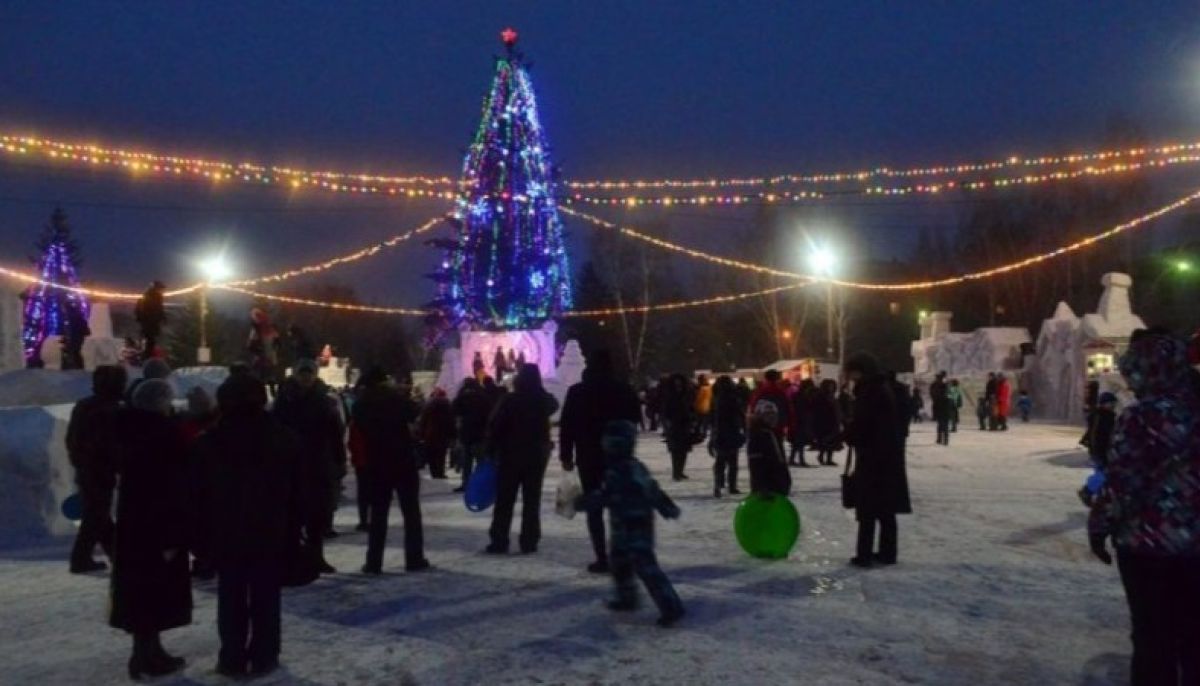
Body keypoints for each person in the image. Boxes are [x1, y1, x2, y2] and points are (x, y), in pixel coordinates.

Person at [1088, 331, 1200, 685]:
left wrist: (1100, 525)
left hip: (1147, 545)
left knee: (1153, 635)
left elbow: (1123, 483)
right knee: (1194, 634)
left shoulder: (1142, 417)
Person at [194, 373, 302, 678]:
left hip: (226, 531)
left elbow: (197, 493)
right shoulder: (283, 438)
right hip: (271, 529)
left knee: (231, 597)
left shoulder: (209, 443)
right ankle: (265, 654)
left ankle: (232, 656)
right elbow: (299, 490)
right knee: (266, 595)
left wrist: (199, 537)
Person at [109, 379, 192, 679]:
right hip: (159, 523)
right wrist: (173, 532)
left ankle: (145, 651)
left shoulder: (129, 431)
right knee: (155, 590)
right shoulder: (162, 435)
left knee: (139, 590)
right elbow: (170, 485)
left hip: (134, 523)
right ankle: (148, 655)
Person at [576, 420, 685, 628]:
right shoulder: (627, 467)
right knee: (619, 563)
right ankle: (626, 598)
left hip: (636, 527)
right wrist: (666, 506)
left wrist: (584, 502)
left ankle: (671, 606)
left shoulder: (624, 470)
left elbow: (610, 495)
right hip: (623, 526)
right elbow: (652, 490)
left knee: (646, 567)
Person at [559, 350, 641, 572]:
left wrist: (566, 455)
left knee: (594, 507)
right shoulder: (623, 390)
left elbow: (567, 426)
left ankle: (601, 556)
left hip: (589, 455)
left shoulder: (577, 392)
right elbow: (635, 420)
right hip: (618, 456)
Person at [272, 358, 345, 574]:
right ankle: (292, 558)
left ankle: (316, 556)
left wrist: (339, 459)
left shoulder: (323, 400)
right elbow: (276, 428)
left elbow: (335, 432)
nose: (306, 378)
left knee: (317, 514)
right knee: (293, 514)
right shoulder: (285, 398)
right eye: (302, 373)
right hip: (292, 462)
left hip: (318, 462)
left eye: (309, 373)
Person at [354, 367, 429, 574]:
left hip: (376, 461)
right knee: (411, 512)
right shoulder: (394, 398)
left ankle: (374, 561)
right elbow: (414, 410)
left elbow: (359, 423)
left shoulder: (361, 404)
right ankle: (414, 557)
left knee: (378, 514)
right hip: (402, 458)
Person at [843, 353, 911, 568]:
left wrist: (848, 433)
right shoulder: (885, 389)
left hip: (873, 458)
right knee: (885, 509)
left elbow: (863, 425)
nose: (851, 378)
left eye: (853, 373)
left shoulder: (870, 392)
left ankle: (864, 555)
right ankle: (887, 552)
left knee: (868, 509)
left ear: (861, 371)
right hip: (888, 456)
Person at [485, 364, 559, 554]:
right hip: (535, 454)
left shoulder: (509, 400)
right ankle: (529, 540)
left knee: (505, 499)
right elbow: (554, 403)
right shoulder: (542, 400)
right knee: (532, 499)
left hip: (510, 454)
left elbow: (495, 426)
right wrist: (539, 388)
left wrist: (492, 449)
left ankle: (500, 539)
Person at [66, 364, 127, 574]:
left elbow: (73, 438)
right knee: (96, 516)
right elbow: (112, 444)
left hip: (87, 468)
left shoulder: (85, 406)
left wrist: (77, 460)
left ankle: (115, 555)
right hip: (100, 469)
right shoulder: (111, 409)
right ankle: (81, 559)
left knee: (98, 514)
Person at [1078, 391, 1118, 507]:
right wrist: (1096, 450)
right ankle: (1087, 491)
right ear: (1104, 403)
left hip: (1106, 449)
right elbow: (1094, 435)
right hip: (1099, 450)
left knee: (1103, 473)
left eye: (1113, 403)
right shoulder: (1099, 416)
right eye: (1110, 403)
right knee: (1104, 473)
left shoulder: (1109, 416)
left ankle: (1100, 496)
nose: (1113, 406)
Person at [709, 375, 746, 498]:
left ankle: (719, 484)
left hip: (720, 433)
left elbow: (713, 418)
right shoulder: (733, 398)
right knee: (732, 461)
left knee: (721, 461)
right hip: (732, 432)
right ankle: (732, 485)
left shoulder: (716, 399)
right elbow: (740, 414)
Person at [452, 378, 491, 493]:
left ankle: (466, 484)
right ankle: (482, 485)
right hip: (480, 434)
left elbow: (454, 409)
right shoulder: (483, 397)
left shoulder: (463, 397)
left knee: (467, 463)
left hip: (467, 434)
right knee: (481, 462)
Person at [746, 401, 793, 496]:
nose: (772, 418)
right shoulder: (758, 436)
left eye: (774, 415)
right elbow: (756, 466)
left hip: (776, 486)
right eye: (767, 415)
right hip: (767, 489)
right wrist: (762, 487)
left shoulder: (771, 434)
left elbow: (779, 460)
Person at [660, 373, 697, 481]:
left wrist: (692, 418)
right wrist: (667, 424)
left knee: (684, 450)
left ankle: (680, 471)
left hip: (685, 424)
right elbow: (665, 411)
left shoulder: (686, 394)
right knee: (676, 450)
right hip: (674, 425)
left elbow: (691, 407)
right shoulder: (669, 396)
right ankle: (676, 472)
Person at [417, 388, 456, 479]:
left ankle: (434, 472)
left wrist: (421, 433)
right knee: (441, 454)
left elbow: (423, 420)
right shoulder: (447, 405)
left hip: (430, 433)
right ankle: (440, 472)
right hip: (443, 433)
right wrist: (453, 433)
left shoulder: (428, 405)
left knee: (432, 454)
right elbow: (451, 421)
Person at [246, 308, 281, 395]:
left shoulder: (257, 329)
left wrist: (257, 351)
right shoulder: (269, 328)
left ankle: (262, 393)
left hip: (264, 356)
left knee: (262, 375)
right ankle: (270, 393)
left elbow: (250, 345)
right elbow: (278, 341)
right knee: (268, 375)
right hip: (268, 356)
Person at [811, 379, 842, 466]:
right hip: (824, 422)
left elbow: (837, 409)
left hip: (833, 422)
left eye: (832, 386)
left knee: (832, 441)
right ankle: (821, 456)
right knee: (824, 440)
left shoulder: (832, 397)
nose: (831, 388)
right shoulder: (820, 397)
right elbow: (817, 410)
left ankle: (829, 459)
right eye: (829, 386)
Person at [134, 281, 166, 362]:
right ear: (157, 288)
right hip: (151, 323)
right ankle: (147, 359)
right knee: (150, 342)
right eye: (161, 289)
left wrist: (140, 319)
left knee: (148, 341)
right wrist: (162, 318)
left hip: (147, 323)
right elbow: (158, 310)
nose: (162, 291)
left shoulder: (147, 296)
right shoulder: (155, 297)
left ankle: (146, 358)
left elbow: (138, 310)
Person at [787, 379, 815, 467]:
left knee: (797, 442)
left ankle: (793, 459)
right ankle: (800, 460)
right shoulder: (802, 396)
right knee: (800, 441)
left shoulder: (798, 395)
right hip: (801, 420)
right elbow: (802, 408)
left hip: (798, 420)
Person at [62, 303, 90, 370]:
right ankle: (79, 366)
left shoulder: (71, 317)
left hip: (75, 337)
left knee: (73, 352)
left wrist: (66, 338)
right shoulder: (77, 316)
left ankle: (75, 367)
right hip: (79, 337)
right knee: (76, 352)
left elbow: (71, 329)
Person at [930, 372, 951, 446]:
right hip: (945, 405)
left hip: (938, 405)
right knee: (945, 423)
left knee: (940, 423)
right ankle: (945, 439)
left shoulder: (934, 385)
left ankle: (940, 438)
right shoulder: (946, 385)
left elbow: (932, 395)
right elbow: (949, 394)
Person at [1080, 378, 1101, 447]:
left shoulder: (1090, 394)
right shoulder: (1095, 395)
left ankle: (1085, 441)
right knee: (1092, 428)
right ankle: (1086, 441)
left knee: (1091, 428)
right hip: (1092, 413)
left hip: (1090, 413)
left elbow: (1087, 404)